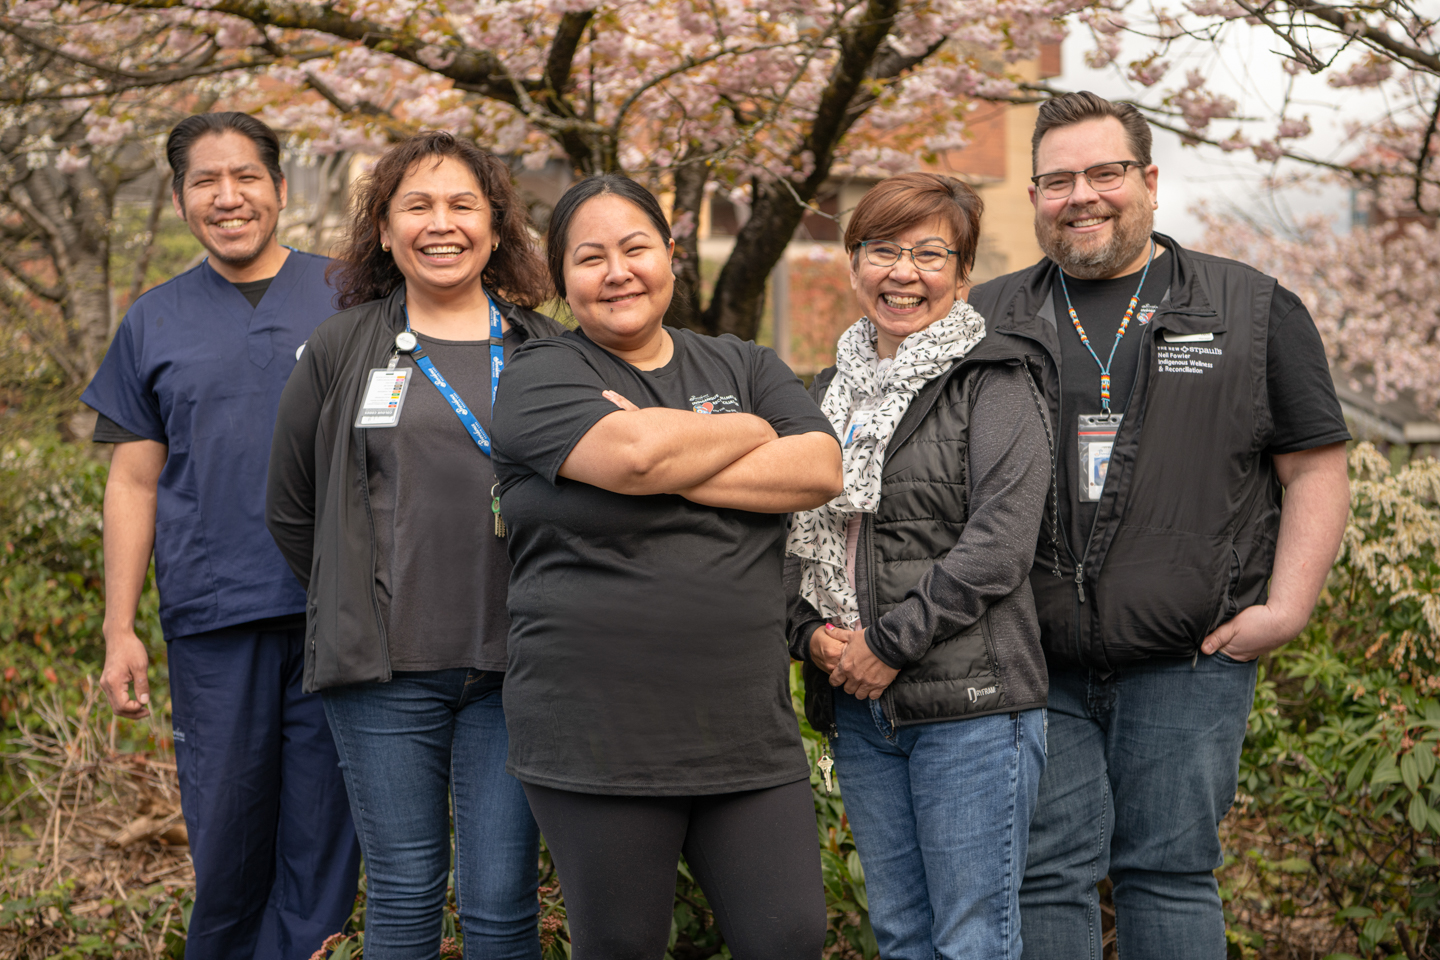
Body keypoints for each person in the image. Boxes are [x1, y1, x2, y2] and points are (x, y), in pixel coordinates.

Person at [964, 91, 1352, 960]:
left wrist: (1286, 610)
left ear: (1148, 180)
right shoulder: (985, 319)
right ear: (1032, 196)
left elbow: (1316, 464)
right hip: (1032, 657)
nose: (1082, 196)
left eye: (1105, 173)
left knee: (1169, 870)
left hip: (1192, 657)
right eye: (1057, 180)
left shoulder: (1251, 308)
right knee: (1042, 872)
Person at [488, 174, 840, 960]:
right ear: (562, 278)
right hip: (595, 735)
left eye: (636, 248)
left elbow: (818, 467)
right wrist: (749, 433)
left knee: (788, 939)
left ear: (671, 256)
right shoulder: (540, 376)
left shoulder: (742, 361)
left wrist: (658, 449)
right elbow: (640, 459)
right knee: (622, 946)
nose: (617, 271)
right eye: (590, 257)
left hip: (743, 733)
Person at [264, 131, 564, 959]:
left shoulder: (547, 351)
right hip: (384, 674)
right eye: (418, 206)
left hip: (518, 666)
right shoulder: (342, 348)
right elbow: (293, 507)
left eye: (463, 205)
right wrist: (356, 594)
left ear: (497, 228)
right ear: (386, 232)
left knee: (502, 899)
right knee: (403, 890)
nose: (443, 224)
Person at [84, 112, 361, 960]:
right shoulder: (153, 321)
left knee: (326, 835)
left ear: (282, 190)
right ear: (179, 200)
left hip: (342, 611)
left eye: (247, 177)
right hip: (214, 613)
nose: (228, 197)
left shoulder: (354, 293)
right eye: (206, 181)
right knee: (228, 830)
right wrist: (119, 626)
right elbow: (132, 481)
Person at [785, 172, 1052, 960]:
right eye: (883, 250)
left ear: (964, 274)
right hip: (863, 710)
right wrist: (809, 635)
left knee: (972, 941)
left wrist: (889, 643)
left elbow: (999, 544)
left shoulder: (994, 378)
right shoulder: (824, 392)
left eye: (930, 254)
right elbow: (793, 537)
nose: (904, 273)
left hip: (970, 706)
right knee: (900, 936)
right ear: (854, 261)